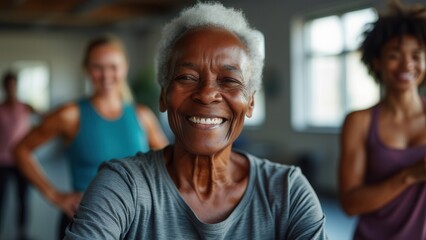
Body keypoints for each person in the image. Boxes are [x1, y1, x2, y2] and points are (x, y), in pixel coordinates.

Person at [64, 2, 327, 239]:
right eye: (187, 77)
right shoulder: (122, 185)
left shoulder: (288, 191)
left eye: (229, 80)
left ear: (250, 102)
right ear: (164, 96)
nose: (206, 94)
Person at [14, 35, 169, 239]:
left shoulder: (142, 116)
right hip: (85, 222)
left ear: (125, 67)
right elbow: (21, 150)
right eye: (98, 67)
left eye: (113, 66)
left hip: (134, 224)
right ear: (86, 69)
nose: (106, 75)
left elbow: (170, 164)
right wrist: (55, 195)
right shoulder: (70, 115)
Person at [339, 1, 426, 239]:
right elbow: (350, 204)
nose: (407, 64)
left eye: (416, 55)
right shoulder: (360, 122)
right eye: (394, 55)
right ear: (377, 62)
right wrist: (411, 175)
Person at [0, 71, 34, 240]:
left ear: (16, 86)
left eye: (14, 85)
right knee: (1, 199)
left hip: (22, 161)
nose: (11, 88)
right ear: (4, 87)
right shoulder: (0, 109)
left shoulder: (26, 107)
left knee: (23, 198)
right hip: (3, 161)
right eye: (8, 85)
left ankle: (22, 232)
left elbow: (48, 121)